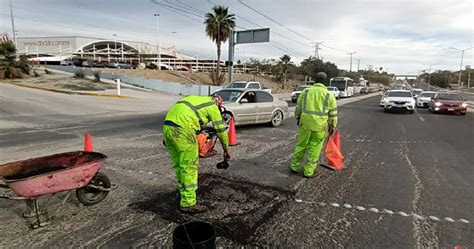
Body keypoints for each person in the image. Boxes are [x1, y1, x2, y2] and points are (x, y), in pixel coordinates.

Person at [163, 95, 230, 214]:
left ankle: (183, 194)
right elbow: (221, 130)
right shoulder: (212, 106)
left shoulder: (195, 99)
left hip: (168, 128)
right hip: (183, 130)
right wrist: (226, 149)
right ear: (218, 103)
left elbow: (182, 114)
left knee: (180, 166)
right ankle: (188, 203)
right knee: (190, 167)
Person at [290, 72, 338, 178]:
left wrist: (298, 118)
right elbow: (333, 114)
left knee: (301, 145)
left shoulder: (306, 91)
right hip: (320, 127)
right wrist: (332, 125)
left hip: (305, 124)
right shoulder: (329, 95)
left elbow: (298, 108)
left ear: (314, 80)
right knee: (314, 148)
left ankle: (294, 166)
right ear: (325, 82)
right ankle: (308, 171)